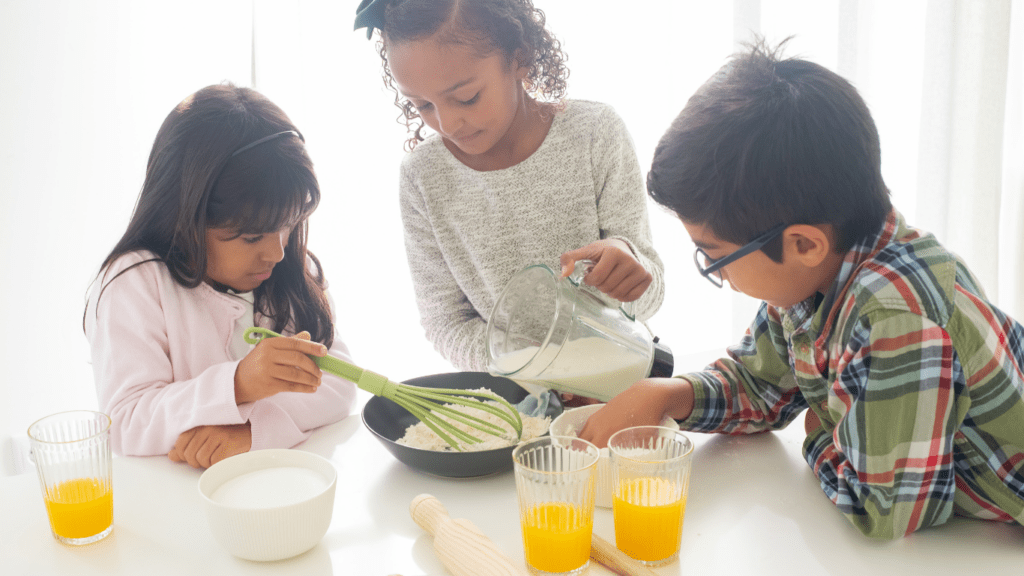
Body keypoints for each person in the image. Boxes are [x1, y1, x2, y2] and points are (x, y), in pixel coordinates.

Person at [579, 39, 1024, 539]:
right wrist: (669, 394)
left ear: (804, 243)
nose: (717, 274)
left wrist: (819, 430)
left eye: (715, 256)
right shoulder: (813, 276)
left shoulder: (898, 319)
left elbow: (884, 509)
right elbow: (762, 383)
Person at [353, 0, 665, 373]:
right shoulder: (423, 176)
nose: (448, 123)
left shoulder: (595, 134)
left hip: (620, 382)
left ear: (521, 57)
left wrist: (629, 269)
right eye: (422, 105)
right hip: (514, 402)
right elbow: (445, 322)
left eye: (467, 97)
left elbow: (650, 298)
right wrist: (528, 363)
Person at [84, 84, 356, 469]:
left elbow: (339, 384)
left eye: (290, 225)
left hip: (278, 487)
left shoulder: (291, 270)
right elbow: (126, 421)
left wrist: (252, 434)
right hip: (178, 504)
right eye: (252, 237)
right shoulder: (136, 282)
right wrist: (238, 384)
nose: (277, 252)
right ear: (186, 219)